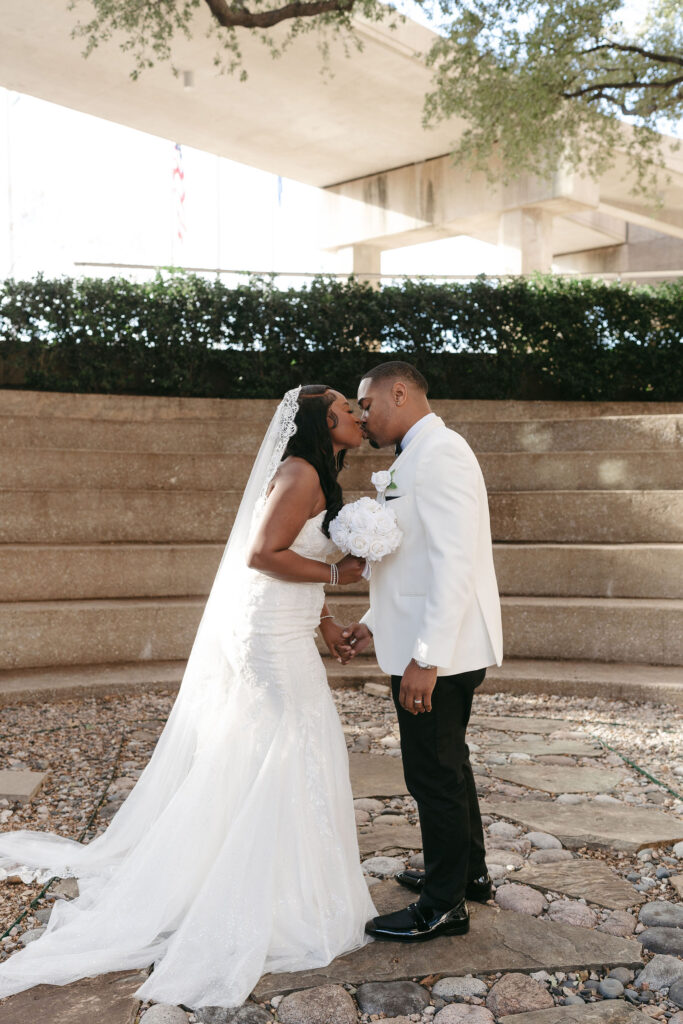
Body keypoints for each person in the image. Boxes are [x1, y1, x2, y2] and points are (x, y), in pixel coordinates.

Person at [0, 385, 376, 1009]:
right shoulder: (301, 473)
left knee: (277, 746)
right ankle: (268, 895)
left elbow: (293, 559)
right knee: (298, 742)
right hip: (267, 634)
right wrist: (340, 573)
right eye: (346, 407)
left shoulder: (315, 473)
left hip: (285, 622)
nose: (358, 415)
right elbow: (262, 555)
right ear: (321, 419)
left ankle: (267, 876)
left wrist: (327, 622)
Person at [341, 361, 503, 942]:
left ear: (400, 393)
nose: (362, 416)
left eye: (366, 404)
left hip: (440, 652)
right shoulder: (416, 455)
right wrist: (372, 623)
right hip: (425, 641)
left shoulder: (442, 454)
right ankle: (468, 876)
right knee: (449, 764)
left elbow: (454, 564)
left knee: (432, 774)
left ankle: (443, 906)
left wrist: (425, 658)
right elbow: (411, 562)